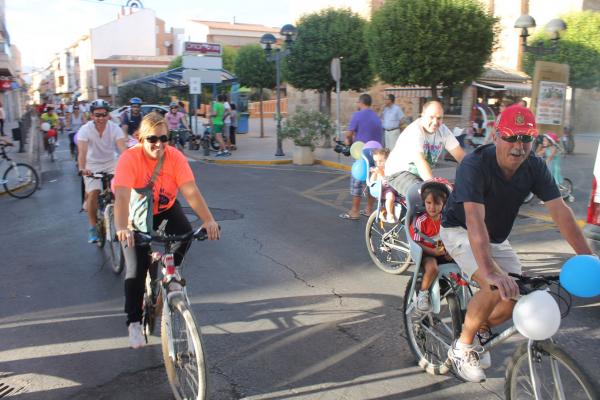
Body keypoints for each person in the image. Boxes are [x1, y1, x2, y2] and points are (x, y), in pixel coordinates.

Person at [440, 105, 594, 383]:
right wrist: (489, 271)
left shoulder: (535, 166)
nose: (518, 146)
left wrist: (588, 260)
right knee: (493, 285)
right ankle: (462, 346)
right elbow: (474, 220)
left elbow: (561, 212)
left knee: (515, 297)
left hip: (496, 237)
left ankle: (478, 328)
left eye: (526, 138)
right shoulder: (474, 165)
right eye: (510, 137)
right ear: (496, 136)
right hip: (460, 229)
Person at [112, 111, 220, 349]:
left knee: (185, 233)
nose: (158, 144)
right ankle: (133, 323)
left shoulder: (175, 157)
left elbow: (190, 191)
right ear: (141, 138)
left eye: (164, 138)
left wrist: (208, 220)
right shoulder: (130, 159)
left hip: (165, 208)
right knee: (135, 270)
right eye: (152, 139)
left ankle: (173, 274)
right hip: (136, 215)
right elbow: (120, 196)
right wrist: (122, 227)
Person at [386, 101, 465, 196]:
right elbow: (420, 162)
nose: (435, 122)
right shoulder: (415, 131)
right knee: (425, 196)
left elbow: (461, 156)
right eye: (431, 117)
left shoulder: (443, 131)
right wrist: (433, 186)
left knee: (448, 195)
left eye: (439, 118)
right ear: (423, 115)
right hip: (398, 173)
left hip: (419, 175)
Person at [78, 99, 127, 243]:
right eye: (97, 115)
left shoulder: (114, 128)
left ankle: (123, 221)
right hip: (91, 164)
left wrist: (129, 165)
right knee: (93, 193)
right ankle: (92, 227)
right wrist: (82, 168)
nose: (100, 118)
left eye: (103, 115)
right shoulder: (85, 130)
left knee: (121, 190)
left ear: (108, 115)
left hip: (112, 162)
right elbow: (82, 152)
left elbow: (123, 150)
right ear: (91, 116)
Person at [409, 180, 452, 312]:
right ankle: (423, 293)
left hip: (439, 248)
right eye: (428, 203)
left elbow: (447, 237)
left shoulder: (444, 218)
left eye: (437, 204)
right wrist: (433, 252)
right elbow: (417, 242)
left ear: (443, 204)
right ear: (424, 203)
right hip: (425, 252)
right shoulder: (421, 221)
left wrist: (450, 251)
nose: (432, 207)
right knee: (432, 267)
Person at [339, 93, 383, 220]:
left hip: (362, 153)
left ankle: (354, 211)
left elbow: (349, 133)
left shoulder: (357, 115)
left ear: (360, 102)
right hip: (377, 153)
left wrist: (348, 142)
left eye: (357, 102)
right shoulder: (376, 117)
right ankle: (369, 210)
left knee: (357, 181)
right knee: (372, 181)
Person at [370, 148, 397, 223]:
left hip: (393, 187)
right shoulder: (377, 170)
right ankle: (390, 214)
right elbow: (372, 182)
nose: (378, 163)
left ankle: (384, 211)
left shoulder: (389, 168)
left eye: (381, 161)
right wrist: (375, 173)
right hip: (383, 190)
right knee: (390, 197)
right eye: (376, 161)